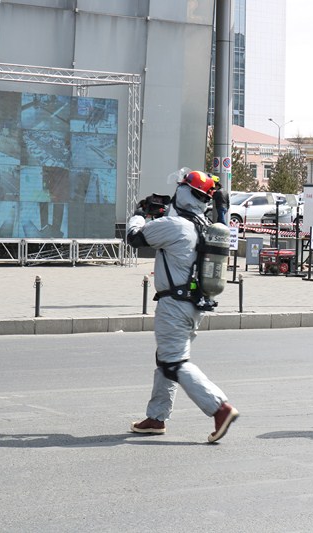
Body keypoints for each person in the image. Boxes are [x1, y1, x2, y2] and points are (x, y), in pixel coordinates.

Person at [127, 169, 239, 443]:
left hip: (174, 306)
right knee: (165, 359)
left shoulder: (175, 226)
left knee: (174, 362)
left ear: (185, 193)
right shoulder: (203, 225)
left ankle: (219, 408)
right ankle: (156, 417)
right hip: (192, 305)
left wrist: (140, 212)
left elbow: (135, 237)